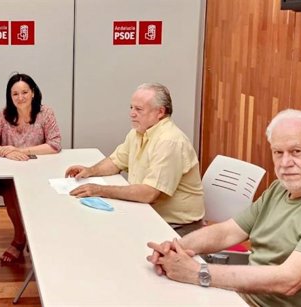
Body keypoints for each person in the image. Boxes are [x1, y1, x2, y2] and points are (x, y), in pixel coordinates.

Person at [147, 109, 301, 306]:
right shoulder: (279, 189)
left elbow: (289, 279)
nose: (285, 162)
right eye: (278, 152)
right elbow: (227, 232)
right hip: (244, 298)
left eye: (296, 151)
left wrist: (196, 272)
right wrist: (176, 247)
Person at [65, 83, 204, 236]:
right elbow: (116, 161)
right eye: (131, 108)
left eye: (138, 109)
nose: (132, 113)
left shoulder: (169, 141)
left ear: (160, 112)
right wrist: (90, 170)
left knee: (103, 234)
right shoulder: (138, 132)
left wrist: (100, 190)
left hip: (174, 227)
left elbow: (149, 194)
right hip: (146, 213)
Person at [0, 73, 62, 263]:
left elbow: (55, 144)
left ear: (33, 92)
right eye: (15, 94)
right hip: (10, 171)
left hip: (38, 171)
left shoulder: (46, 113)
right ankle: (19, 237)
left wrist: (21, 150)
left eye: (24, 92)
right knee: (11, 190)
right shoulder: (4, 114)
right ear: (10, 96)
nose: (20, 98)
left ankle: (37, 235)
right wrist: (4, 152)